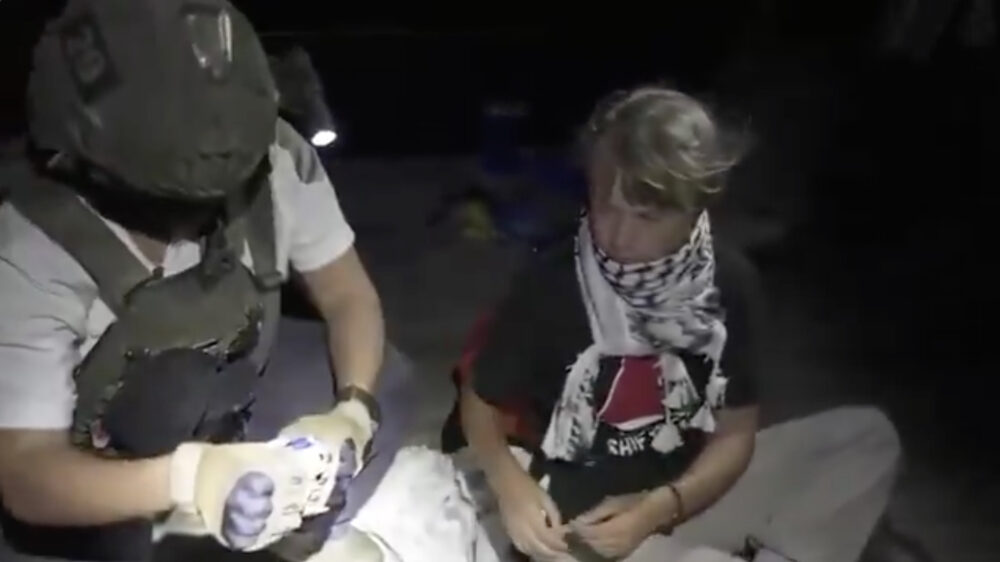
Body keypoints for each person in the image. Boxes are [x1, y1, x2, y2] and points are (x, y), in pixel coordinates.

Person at [0, 1, 410, 560]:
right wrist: (188, 480)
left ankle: (283, 526)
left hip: (225, 392)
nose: (195, 218)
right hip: (94, 450)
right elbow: (25, 473)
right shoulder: (29, 241)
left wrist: (352, 412)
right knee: (163, 429)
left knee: (386, 379)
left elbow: (348, 296)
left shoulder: (270, 154)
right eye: (167, 199)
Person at [441, 86, 903, 562]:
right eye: (605, 207)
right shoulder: (552, 281)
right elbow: (480, 400)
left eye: (645, 217)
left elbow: (735, 435)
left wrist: (658, 509)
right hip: (586, 530)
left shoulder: (729, 281)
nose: (619, 235)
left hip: (684, 499)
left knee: (866, 437)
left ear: (695, 209)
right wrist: (510, 485)